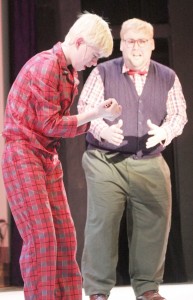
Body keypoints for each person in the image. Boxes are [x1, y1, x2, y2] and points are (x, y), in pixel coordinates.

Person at [1, 12, 122, 300]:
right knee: (42, 238)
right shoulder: (45, 67)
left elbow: (58, 127)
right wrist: (96, 114)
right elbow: (50, 124)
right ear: (79, 41)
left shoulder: (69, 74)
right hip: (22, 154)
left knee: (65, 238)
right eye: (94, 55)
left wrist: (97, 119)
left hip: (46, 155)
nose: (94, 63)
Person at [78, 18, 187, 300]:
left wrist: (165, 131)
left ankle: (148, 288)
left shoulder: (167, 76)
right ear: (121, 44)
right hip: (105, 160)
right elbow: (86, 109)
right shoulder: (102, 72)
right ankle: (97, 291)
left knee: (154, 221)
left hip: (149, 159)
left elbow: (178, 115)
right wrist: (103, 130)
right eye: (130, 41)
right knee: (102, 222)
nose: (136, 47)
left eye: (142, 41)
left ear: (151, 44)